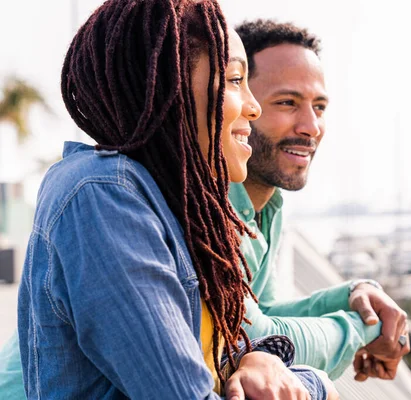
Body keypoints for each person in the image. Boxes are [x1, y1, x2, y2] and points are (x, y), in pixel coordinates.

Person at [12, 1, 333, 399]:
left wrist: (260, 358)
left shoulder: (170, 209)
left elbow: (219, 360)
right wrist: (316, 384)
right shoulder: (102, 194)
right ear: (171, 84)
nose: (252, 106)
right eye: (235, 80)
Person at [231, 19, 411, 382]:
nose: (311, 126)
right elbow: (249, 339)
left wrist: (353, 296)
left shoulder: (268, 203)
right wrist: (364, 330)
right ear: (241, 104)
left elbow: (261, 310)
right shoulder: (208, 204)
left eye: (320, 107)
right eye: (287, 102)